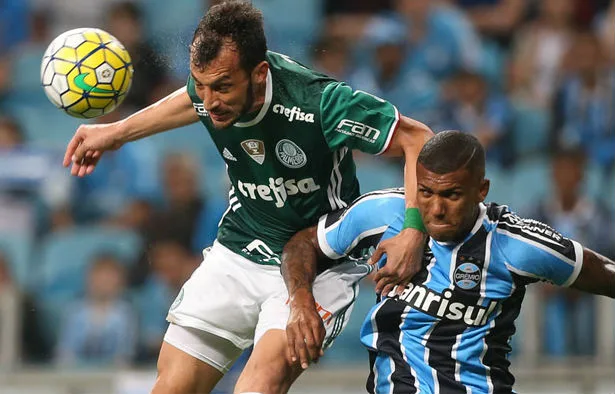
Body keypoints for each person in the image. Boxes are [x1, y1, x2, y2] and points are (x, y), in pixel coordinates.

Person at [62, 1, 434, 393]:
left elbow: (418, 138)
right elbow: (189, 101)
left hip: (318, 259)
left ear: (260, 74)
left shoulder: (319, 102)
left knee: (258, 385)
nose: (210, 102)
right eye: (200, 86)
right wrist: (115, 132)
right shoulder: (210, 86)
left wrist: (412, 229)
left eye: (222, 87)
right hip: (240, 249)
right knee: (171, 387)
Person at [282, 130, 615, 393]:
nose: (436, 209)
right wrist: (301, 303)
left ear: (481, 189)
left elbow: (603, 273)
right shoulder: (383, 213)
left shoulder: (515, 243)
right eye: (426, 192)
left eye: (451, 195)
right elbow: (303, 243)